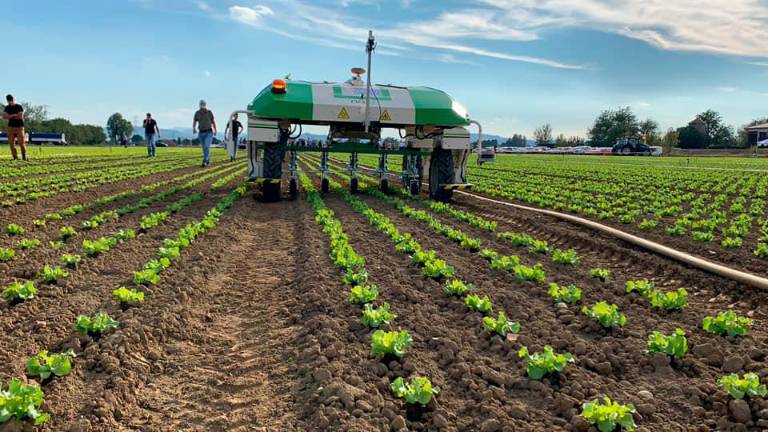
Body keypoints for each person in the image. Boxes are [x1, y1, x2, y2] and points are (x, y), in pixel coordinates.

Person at [2, 95, 26, 160]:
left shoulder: (19, 107)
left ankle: (24, 156)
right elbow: (4, 116)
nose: (10, 102)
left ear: (13, 99)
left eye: (11, 100)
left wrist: (9, 116)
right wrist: (14, 115)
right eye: (8, 100)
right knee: (11, 144)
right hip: (11, 127)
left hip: (19, 127)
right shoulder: (7, 108)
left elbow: (20, 117)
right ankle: (15, 157)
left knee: (21, 143)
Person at [193, 100, 216, 167]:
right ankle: (208, 159)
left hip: (209, 132)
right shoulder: (197, 113)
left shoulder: (209, 112)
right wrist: (194, 128)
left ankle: (205, 161)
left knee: (206, 146)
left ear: (205, 105)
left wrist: (215, 129)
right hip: (201, 133)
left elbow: (213, 121)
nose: (202, 108)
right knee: (204, 148)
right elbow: (194, 121)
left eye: (203, 106)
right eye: (201, 106)